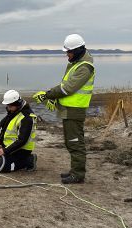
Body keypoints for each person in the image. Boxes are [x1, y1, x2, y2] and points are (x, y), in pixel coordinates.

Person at [33, 34, 95, 184]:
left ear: (78, 50)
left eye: (69, 52)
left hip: (75, 110)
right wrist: (54, 98)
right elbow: (64, 87)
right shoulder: (76, 63)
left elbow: (67, 89)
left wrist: (48, 95)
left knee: (75, 142)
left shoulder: (85, 67)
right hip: (69, 109)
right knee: (70, 142)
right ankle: (75, 171)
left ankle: (78, 174)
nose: (67, 55)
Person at [0, 90, 37, 172]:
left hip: (22, 149)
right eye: (7, 105)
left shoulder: (26, 118)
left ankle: (28, 160)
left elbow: (22, 141)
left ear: (17, 104)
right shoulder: (13, 111)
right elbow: (1, 127)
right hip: (10, 145)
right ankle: (8, 159)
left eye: (10, 106)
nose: (8, 108)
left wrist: (5, 151)